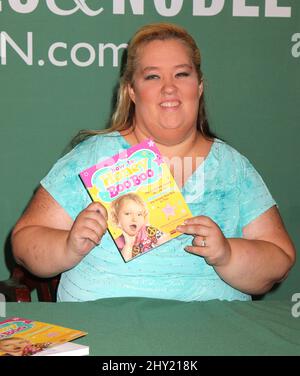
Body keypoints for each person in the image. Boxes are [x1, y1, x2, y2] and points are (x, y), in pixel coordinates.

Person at [11, 23, 295, 302]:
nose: (169, 88)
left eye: (182, 74)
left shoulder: (232, 167)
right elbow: (24, 243)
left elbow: (279, 260)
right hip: (103, 332)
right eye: (153, 77)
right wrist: (68, 246)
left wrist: (227, 254)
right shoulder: (93, 157)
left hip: (212, 334)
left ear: (199, 86)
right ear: (131, 91)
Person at [110, 193, 166, 261]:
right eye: (127, 213)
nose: (134, 219)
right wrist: (128, 245)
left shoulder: (149, 231)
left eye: (139, 214)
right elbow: (123, 266)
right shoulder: (117, 244)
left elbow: (166, 245)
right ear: (116, 219)